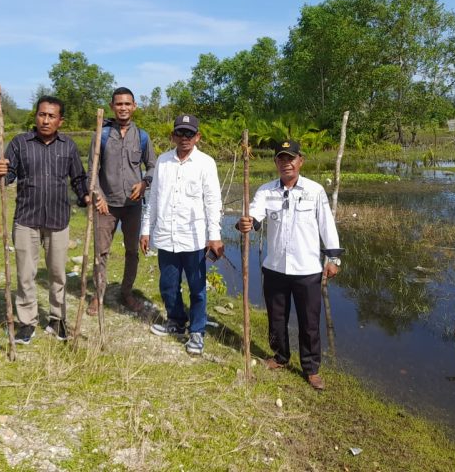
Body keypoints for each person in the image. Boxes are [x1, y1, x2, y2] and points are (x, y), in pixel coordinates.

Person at [236, 140, 342, 390]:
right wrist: (247, 222)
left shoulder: (315, 191)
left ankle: (311, 368)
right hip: (274, 267)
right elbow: (254, 215)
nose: (287, 163)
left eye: (291, 158)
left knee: (309, 321)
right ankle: (281, 356)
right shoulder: (265, 191)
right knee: (276, 317)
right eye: (282, 159)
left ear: (300, 161)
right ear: (276, 163)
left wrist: (333, 258)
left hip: (307, 269)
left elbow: (327, 225)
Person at [0, 96, 89, 344]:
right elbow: (8, 176)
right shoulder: (20, 143)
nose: (45, 120)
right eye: (42, 114)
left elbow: (78, 178)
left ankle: (57, 319)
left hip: (58, 219)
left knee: (58, 274)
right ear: (35, 116)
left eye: (51, 116)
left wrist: (86, 195)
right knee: (26, 274)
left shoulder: (67, 146)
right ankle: (27, 322)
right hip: (26, 219)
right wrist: (0, 172)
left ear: (60, 121)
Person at [140, 114, 223, 356]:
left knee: (197, 288)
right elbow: (153, 199)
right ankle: (176, 321)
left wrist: (214, 236)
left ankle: (197, 331)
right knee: (168, 285)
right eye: (180, 133)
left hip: (194, 238)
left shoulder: (206, 163)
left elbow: (212, 201)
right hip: (166, 235)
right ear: (173, 136)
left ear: (198, 137)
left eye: (190, 134)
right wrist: (146, 229)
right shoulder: (163, 162)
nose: (184, 138)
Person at [88, 87, 156, 315]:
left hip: (132, 206)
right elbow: (92, 170)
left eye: (127, 104)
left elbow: (152, 166)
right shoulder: (102, 135)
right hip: (106, 205)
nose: (123, 108)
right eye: (119, 104)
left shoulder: (143, 136)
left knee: (132, 252)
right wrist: (99, 195)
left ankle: (126, 292)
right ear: (112, 106)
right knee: (101, 252)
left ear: (134, 106)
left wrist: (145, 183)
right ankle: (98, 294)